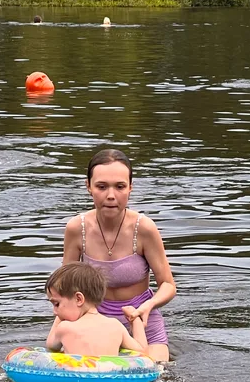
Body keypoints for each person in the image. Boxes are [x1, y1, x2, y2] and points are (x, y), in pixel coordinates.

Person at [62, 149, 176, 362]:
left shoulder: (144, 229)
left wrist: (147, 307)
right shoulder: (76, 228)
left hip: (141, 321)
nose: (111, 195)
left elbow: (168, 285)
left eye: (120, 186)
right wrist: (61, 329)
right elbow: (65, 288)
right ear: (88, 187)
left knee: (158, 380)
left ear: (131, 188)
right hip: (95, 323)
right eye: (102, 186)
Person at [45, 262, 151, 356]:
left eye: (56, 304)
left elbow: (51, 346)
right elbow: (142, 351)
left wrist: (60, 317)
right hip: (111, 376)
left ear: (79, 299)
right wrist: (135, 319)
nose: (55, 312)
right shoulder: (115, 325)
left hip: (77, 377)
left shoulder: (65, 327)